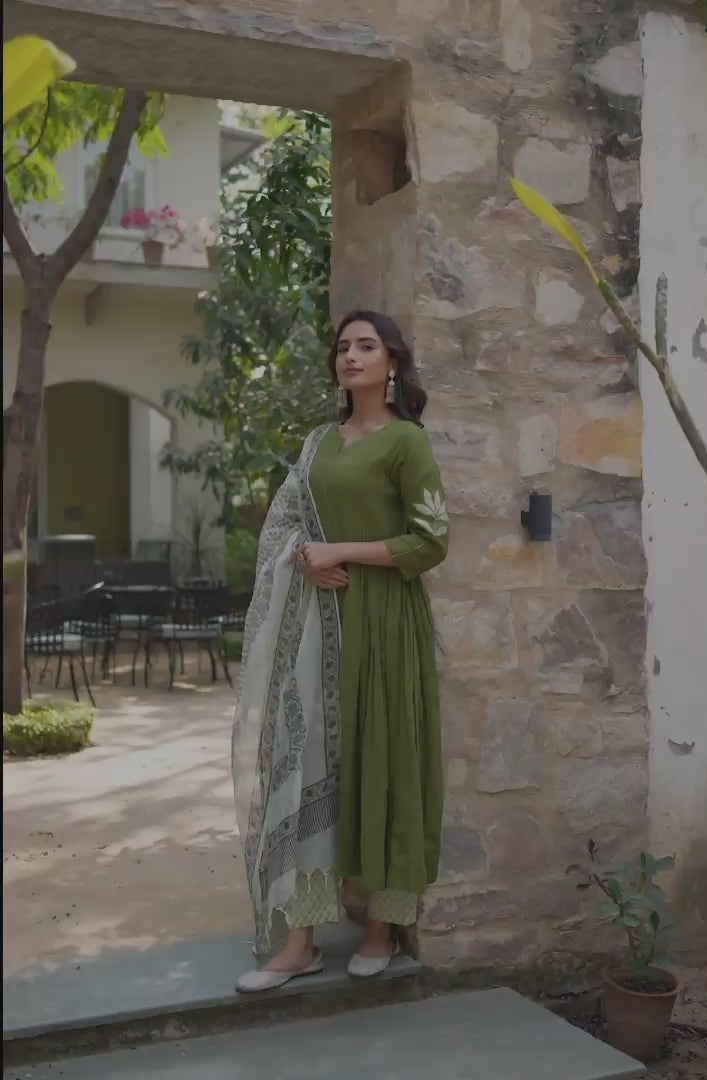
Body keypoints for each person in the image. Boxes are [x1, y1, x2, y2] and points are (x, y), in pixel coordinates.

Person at [233, 310, 448, 992]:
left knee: (382, 761)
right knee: (306, 765)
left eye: (366, 346)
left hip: (385, 625)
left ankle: (381, 928)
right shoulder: (319, 443)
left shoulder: (407, 442)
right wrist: (307, 557)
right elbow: (286, 523)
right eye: (343, 347)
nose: (350, 356)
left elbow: (432, 541)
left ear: (392, 362)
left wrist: (342, 551)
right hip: (318, 627)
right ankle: (300, 941)